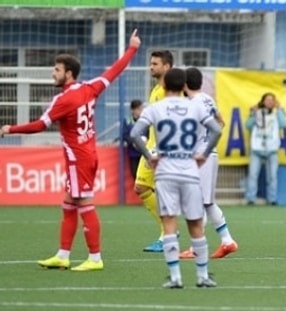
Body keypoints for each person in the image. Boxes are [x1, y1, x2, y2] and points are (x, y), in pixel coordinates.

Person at [0, 29, 141, 271]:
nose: (52, 73)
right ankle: (63, 255)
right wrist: (132, 48)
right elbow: (114, 71)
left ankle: (95, 258)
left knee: (84, 203)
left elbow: (38, 126)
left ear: (68, 73)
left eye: (56, 70)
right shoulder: (90, 88)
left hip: (79, 159)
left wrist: (10, 128)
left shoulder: (63, 100)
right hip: (89, 155)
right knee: (68, 204)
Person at [130, 68, 223, 288]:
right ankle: (202, 276)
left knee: (170, 222)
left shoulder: (155, 108)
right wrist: (204, 154)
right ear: (183, 86)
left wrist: (149, 156)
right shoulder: (195, 106)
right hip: (189, 170)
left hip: (165, 172)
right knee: (195, 223)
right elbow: (217, 130)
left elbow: (135, 134)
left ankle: (175, 277)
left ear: (163, 86)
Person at [178, 67, 238, 260]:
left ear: (185, 84)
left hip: (200, 157)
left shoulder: (192, 104)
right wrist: (208, 139)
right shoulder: (207, 99)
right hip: (210, 153)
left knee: (199, 202)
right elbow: (221, 122)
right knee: (207, 202)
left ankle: (197, 248)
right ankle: (227, 241)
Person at [135, 50, 175, 253]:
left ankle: (168, 234)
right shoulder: (156, 89)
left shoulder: (169, 90)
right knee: (142, 188)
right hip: (151, 145)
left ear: (166, 67)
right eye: (151, 63)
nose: (151, 67)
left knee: (158, 190)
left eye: (155, 64)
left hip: (160, 149)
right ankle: (167, 232)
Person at [245, 92, 286, 205]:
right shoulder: (257, 113)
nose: (269, 102)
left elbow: (284, 124)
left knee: (272, 176)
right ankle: (251, 198)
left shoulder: (277, 114)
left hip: (272, 148)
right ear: (263, 101)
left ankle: (272, 199)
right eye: (267, 100)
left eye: (272, 100)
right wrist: (253, 113)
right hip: (257, 147)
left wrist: (279, 109)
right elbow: (248, 126)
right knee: (253, 174)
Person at [120, 99, 145, 182]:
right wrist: (133, 142)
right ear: (133, 110)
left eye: (141, 108)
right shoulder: (127, 121)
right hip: (133, 154)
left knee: (145, 176)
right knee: (135, 175)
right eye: (139, 109)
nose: (141, 111)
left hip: (145, 154)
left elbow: (149, 133)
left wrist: (146, 140)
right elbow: (124, 135)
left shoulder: (145, 120)